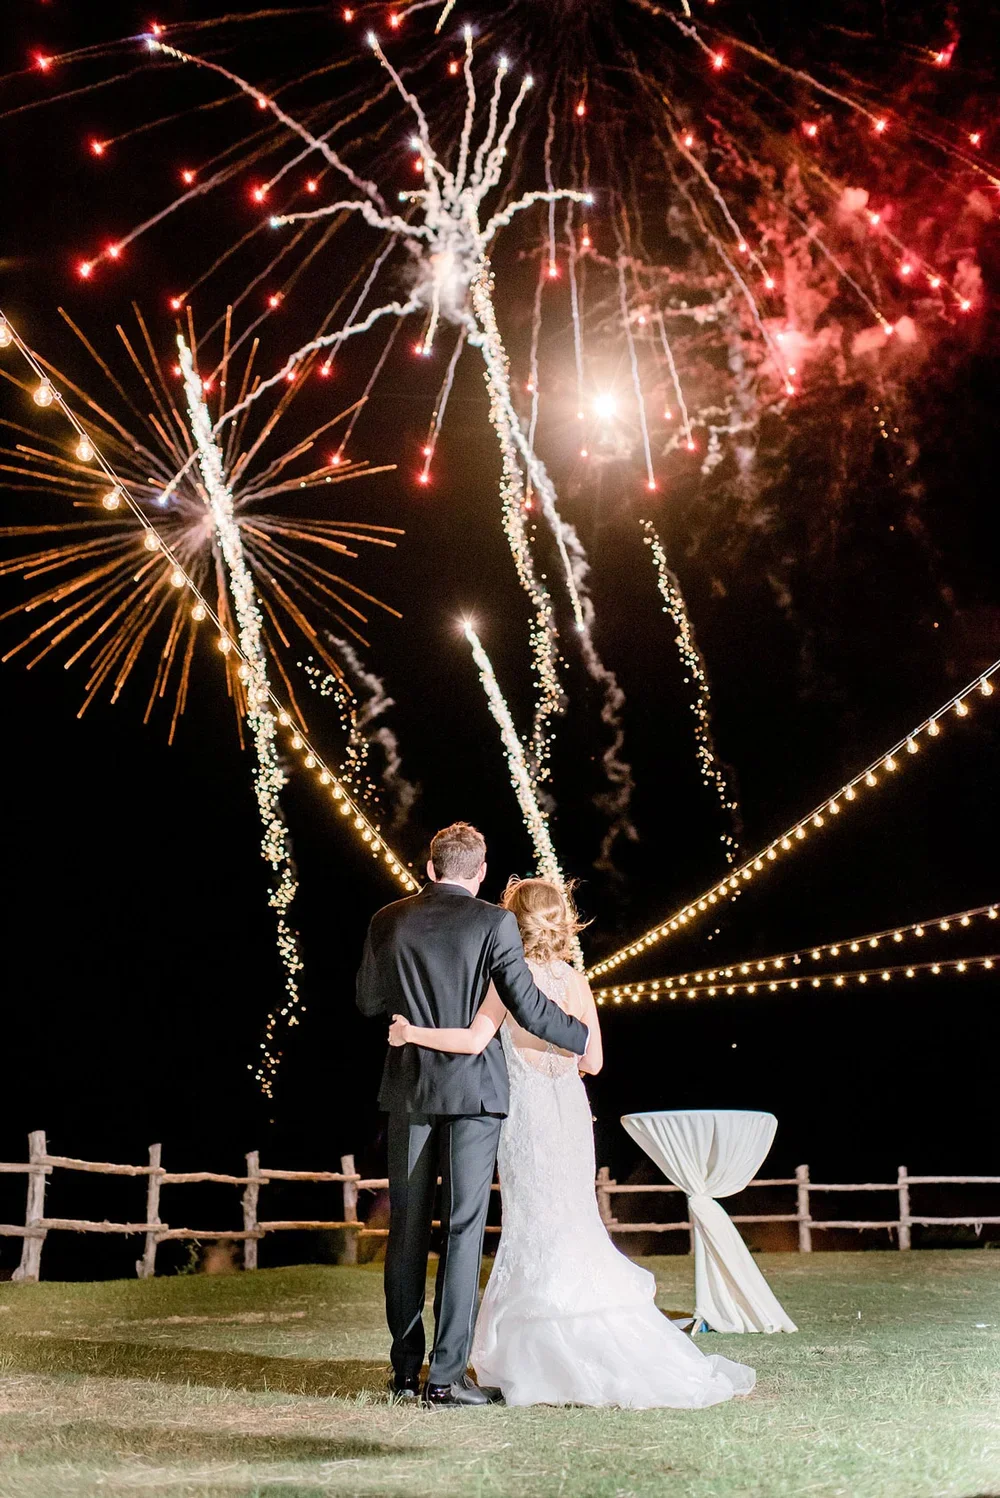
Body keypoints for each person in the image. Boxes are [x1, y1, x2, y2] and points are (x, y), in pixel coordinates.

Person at [388, 875, 756, 1409]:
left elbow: (472, 1042)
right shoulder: (575, 982)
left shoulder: (505, 981)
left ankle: (527, 1353)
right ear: (560, 921)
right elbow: (594, 1061)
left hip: (527, 1120)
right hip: (569, 1115)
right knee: (575, 1219)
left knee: (532, 1223)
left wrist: (411, 1033)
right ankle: (592, 1335)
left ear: (512, 921)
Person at [356, 823, 589, 1408]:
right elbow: (526, 1004)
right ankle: (446, 1378)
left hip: (408, 1092)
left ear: (430, 867)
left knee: (406, 1233)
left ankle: (404, 1373)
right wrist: (577, 1034)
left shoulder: (387, 920)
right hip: (475, 1098)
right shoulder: (494, 922)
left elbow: (366, 1000)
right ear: (480, 872)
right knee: (462, 1234)